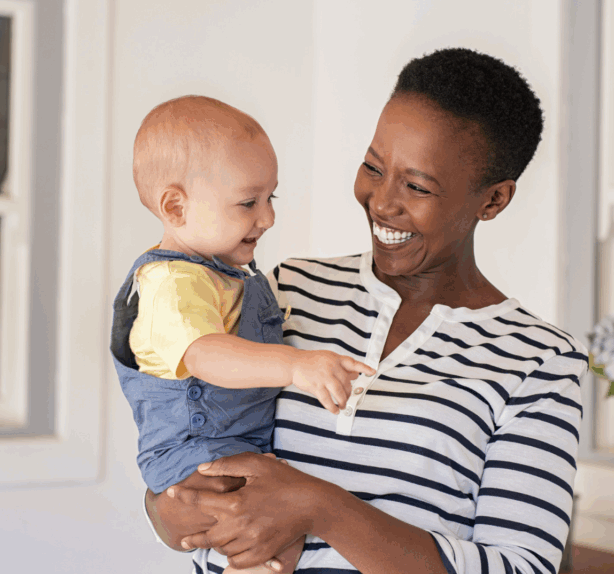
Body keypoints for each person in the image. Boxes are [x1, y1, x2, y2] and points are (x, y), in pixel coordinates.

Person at [143, 48, 589, 574]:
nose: (381, 201)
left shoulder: (540, 362)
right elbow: (187, 426)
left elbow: (525, 568)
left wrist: (320, 507)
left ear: (492, 201)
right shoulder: (282, 291)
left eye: (417, 186)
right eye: (373, 167)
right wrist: (163, 508)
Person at [110, 95, 376, 574]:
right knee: (274, 527)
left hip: (233, 447)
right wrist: (298, 365)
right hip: (197, 454)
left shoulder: (224, 272)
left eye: (271, 197)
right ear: (176, 206)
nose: (268, 217)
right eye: (248, 202)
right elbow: (209, 356)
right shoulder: (171, 283)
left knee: (281, 529)